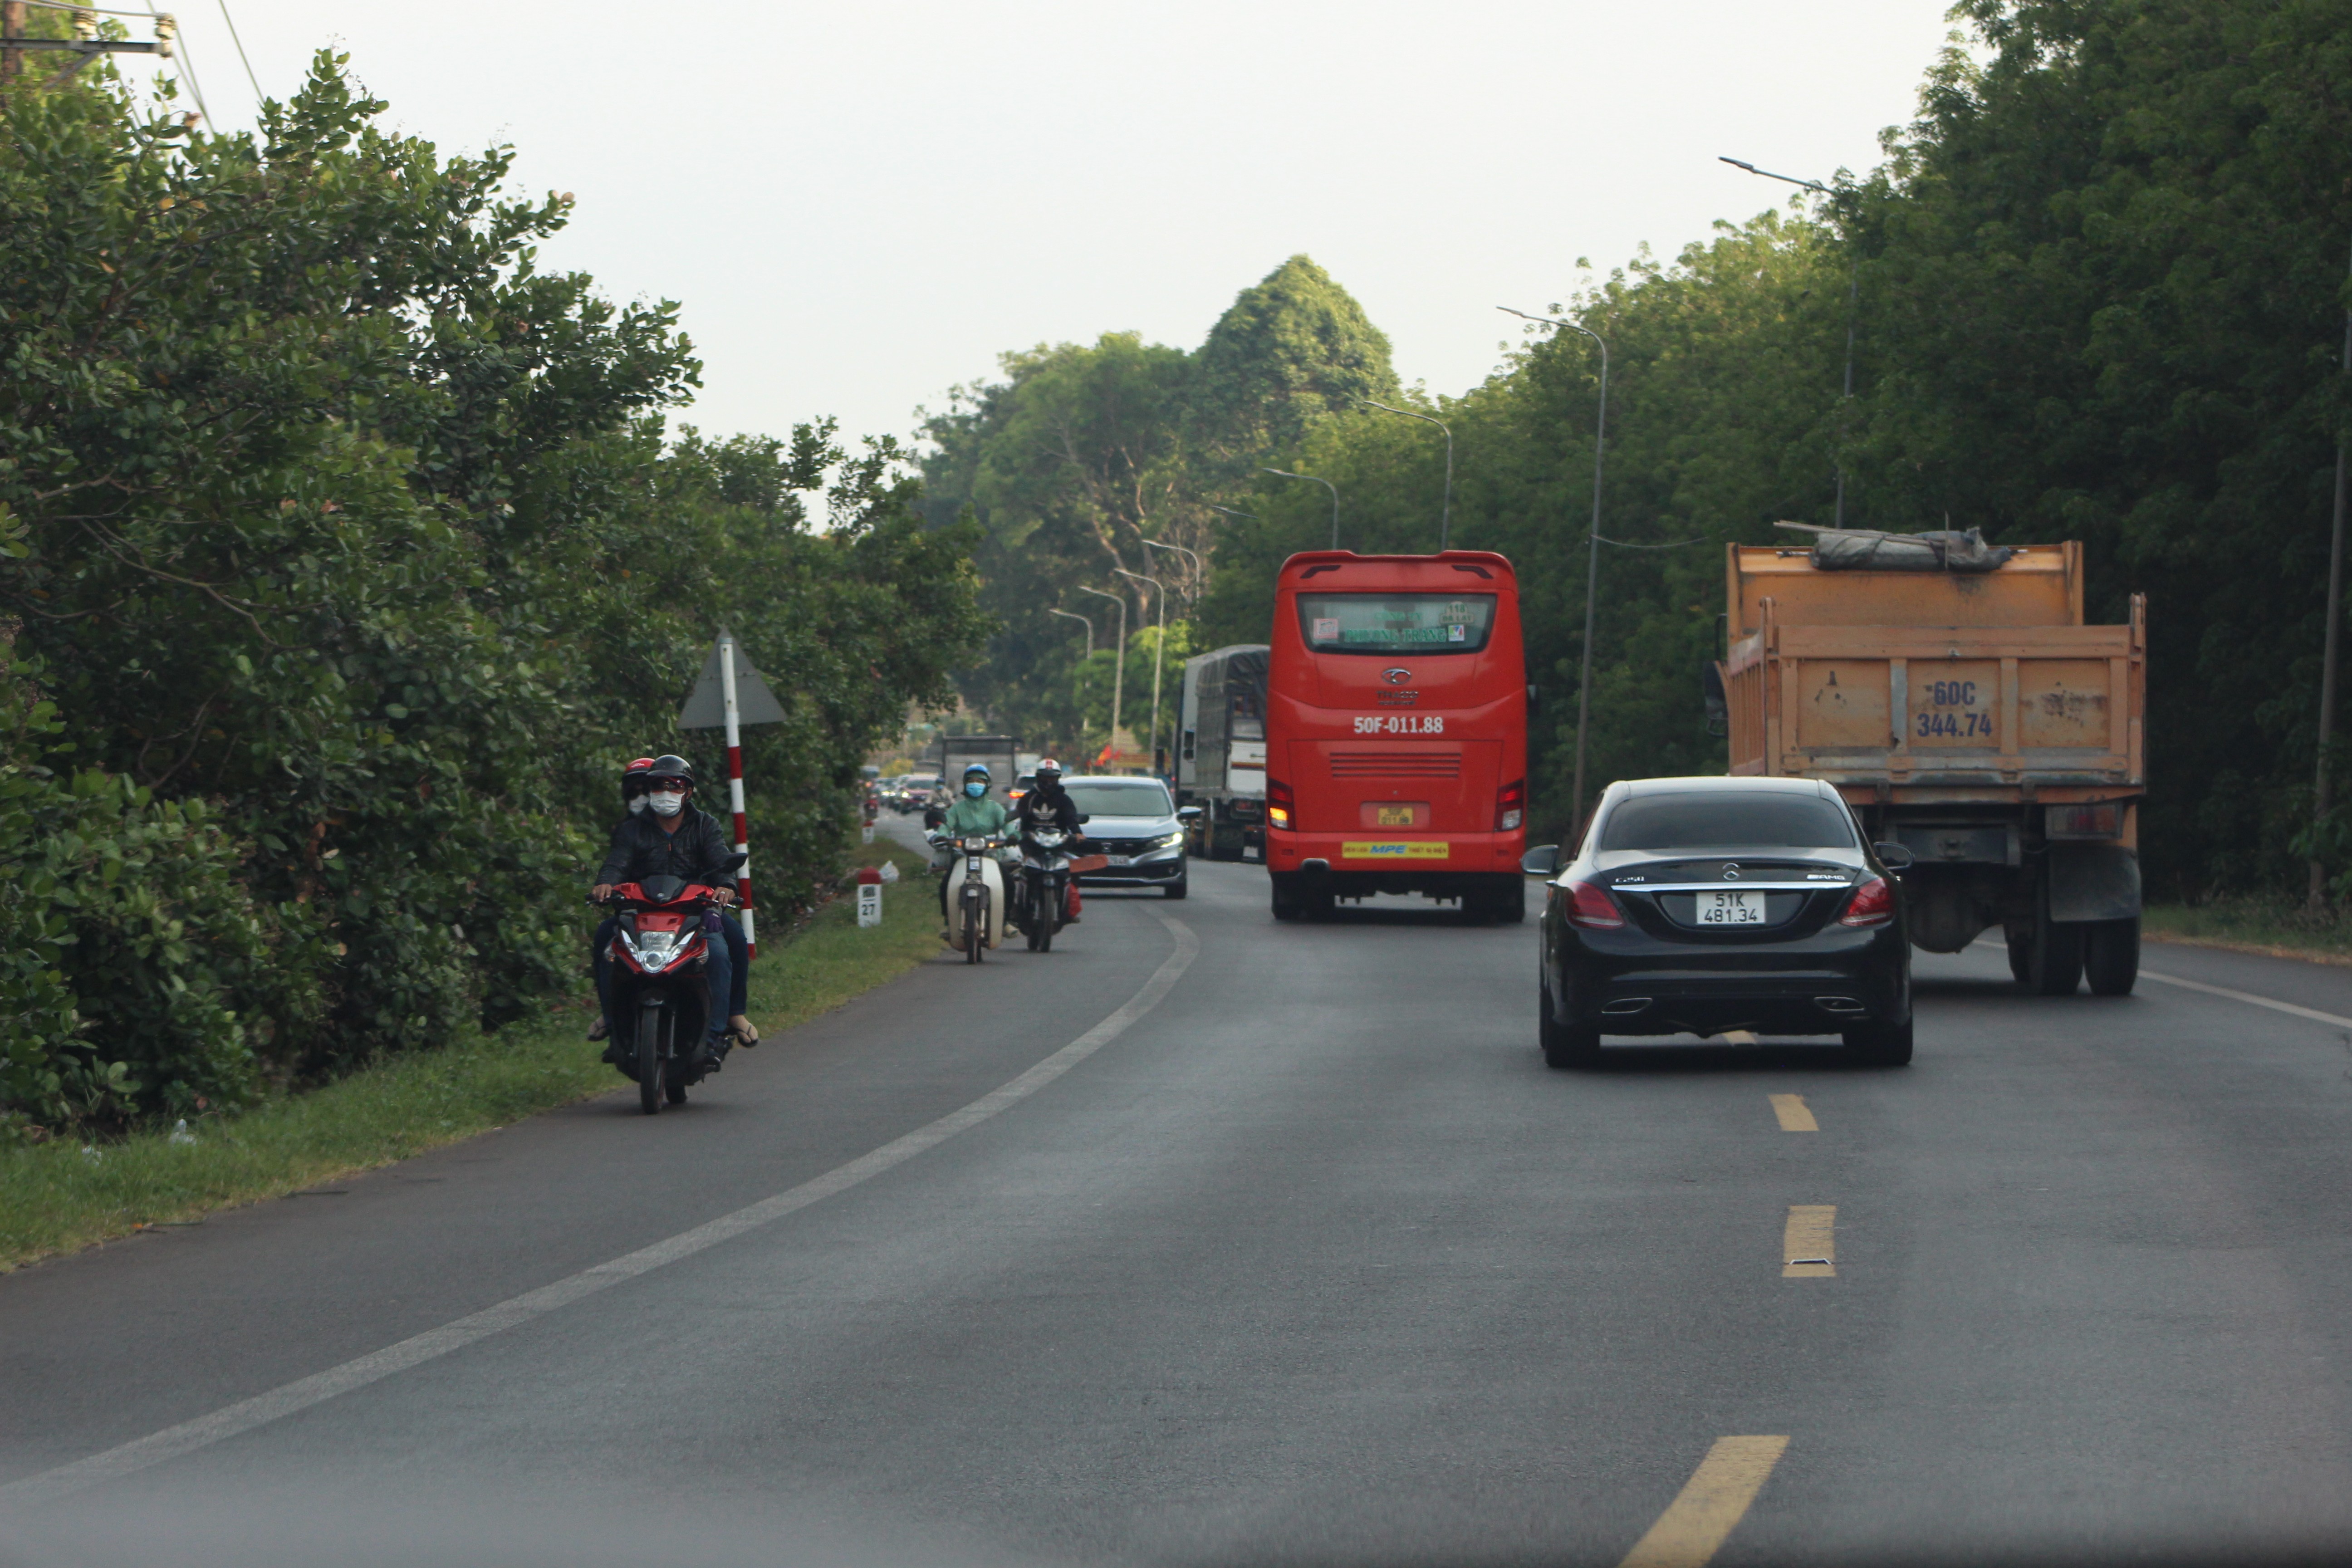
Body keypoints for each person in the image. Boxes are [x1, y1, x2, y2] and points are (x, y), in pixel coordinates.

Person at [590, 755, 755, 1061]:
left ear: (688, 792)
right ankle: (612, 1023)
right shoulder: (632, 830)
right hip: (641, 912)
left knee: (727, 947)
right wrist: (605, 884)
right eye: (657, 786)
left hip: (695, 913)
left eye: (673, 786)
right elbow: (616, 863)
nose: (664, 792)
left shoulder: (706, 825)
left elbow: (721, 864)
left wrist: (726, 887)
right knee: (605, 942)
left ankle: (724, 1025)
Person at [931, 762, 1009, 935]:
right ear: (965, 785)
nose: (976, 784)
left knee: (1008, 882)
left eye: (980, 781)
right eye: (972, 781)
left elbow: (1008, 825)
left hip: (991, 856)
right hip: (961, 856)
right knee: (946, 884)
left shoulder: (995, 808)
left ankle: (1005, 922)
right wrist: (942, 835)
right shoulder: (957, 808)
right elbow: (946, 825)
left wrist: (1013, 837)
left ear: (987, 785)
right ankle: (948, 922)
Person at [1010, 756, 1084, 925]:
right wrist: (1016, 834)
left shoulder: (1064, 799)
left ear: (1058, 779)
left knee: (1075, 869)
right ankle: (1016, 908)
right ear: (1038, 778)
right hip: (1032, 845)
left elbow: (1072, 819)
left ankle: (1069, 909)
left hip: (1057, 845)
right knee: (1016, 871)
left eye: (1052, 778)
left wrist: (1078, 834)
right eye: (1045, 777)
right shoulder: (1029, 798)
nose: (1049, 782)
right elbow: (1019, 817)